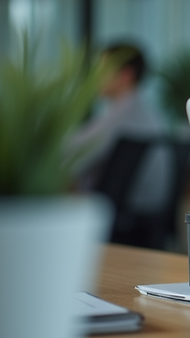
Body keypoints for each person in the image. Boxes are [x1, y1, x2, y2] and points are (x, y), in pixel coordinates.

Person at [70, 43, 171, 216]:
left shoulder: (121, 116)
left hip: (116, 216)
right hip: (148, 214)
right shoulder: (151, 112)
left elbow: (70, 155)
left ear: (126, 75)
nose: (94, 76)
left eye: (101, 69)